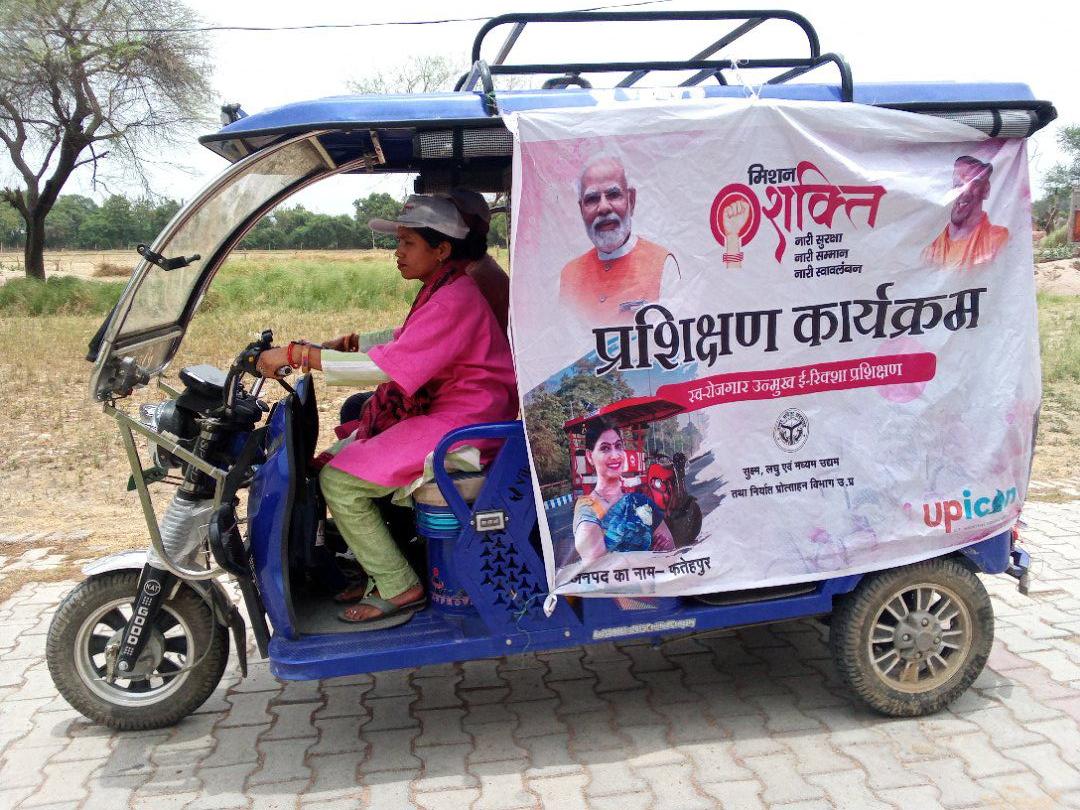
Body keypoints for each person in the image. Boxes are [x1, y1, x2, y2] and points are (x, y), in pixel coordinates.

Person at [256, 194, 519, 626]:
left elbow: (386, 366)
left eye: (408, 243)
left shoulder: (453, 298)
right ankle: (373, 563)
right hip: (455, 413)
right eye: (398, 241)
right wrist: (340, 345)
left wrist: (298, 354)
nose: (398, 252)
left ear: (441, 249)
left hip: (467, 423)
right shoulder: (444, 287)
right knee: (342, 452)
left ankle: (398, 584)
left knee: (339, 480)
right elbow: (404, 338)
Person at [559, 155, 678, 323]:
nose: (603, 208)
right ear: (581, 209)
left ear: (631, 200)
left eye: (613, 195)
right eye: (592, 199)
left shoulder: (662, 264)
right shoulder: (569, 276)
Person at [572, 418, 675, 564]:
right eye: (605, 448)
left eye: (618, 446)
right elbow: (598, 568)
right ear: (590, 456)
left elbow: (670, 549)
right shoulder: (587, 510)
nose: (615, 455)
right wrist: (651, 554)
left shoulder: (640, 502)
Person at [923, 155, 1010, 269]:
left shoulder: (998, 240)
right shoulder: (930, 251)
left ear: (986, 190)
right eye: (957, 185)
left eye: (972, 184)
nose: (963, 192)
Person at [449, 188, 510, 334]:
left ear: (483, 226)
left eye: (458, 217)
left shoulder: (479, 278)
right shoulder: (472, 269)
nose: (448, 225)